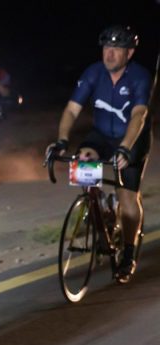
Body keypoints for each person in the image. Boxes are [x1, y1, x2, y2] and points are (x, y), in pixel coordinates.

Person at [46, 24, 152, 284]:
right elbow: (72, 110)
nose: (110, 53)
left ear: (129, 53)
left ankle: (128, 254)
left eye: (116, 49)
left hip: (132, 137)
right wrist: (61, 140)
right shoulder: (93, 73)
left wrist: (126, 147)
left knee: (128, 199)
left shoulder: (139, 76)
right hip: (102, 135)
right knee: (83, 158)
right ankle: (98, 205)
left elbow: (139, 114)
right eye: (106, 47)